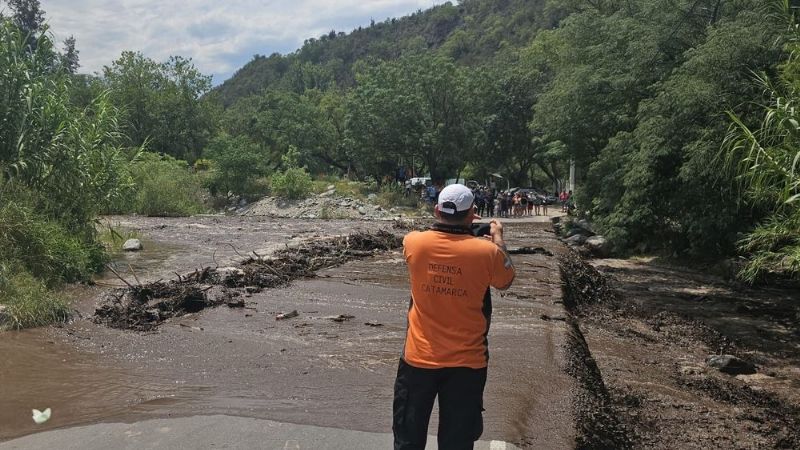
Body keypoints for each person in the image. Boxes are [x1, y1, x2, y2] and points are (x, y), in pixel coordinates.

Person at [394, 184, 515, 450]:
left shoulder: (414, 242)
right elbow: (505, 280)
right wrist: (497, 238)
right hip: (467, 363)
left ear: (437, 210)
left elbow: (434, 242)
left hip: (418, 359)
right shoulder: (487, 253)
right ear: (473, 213)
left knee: (407, 436)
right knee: (457, 442)